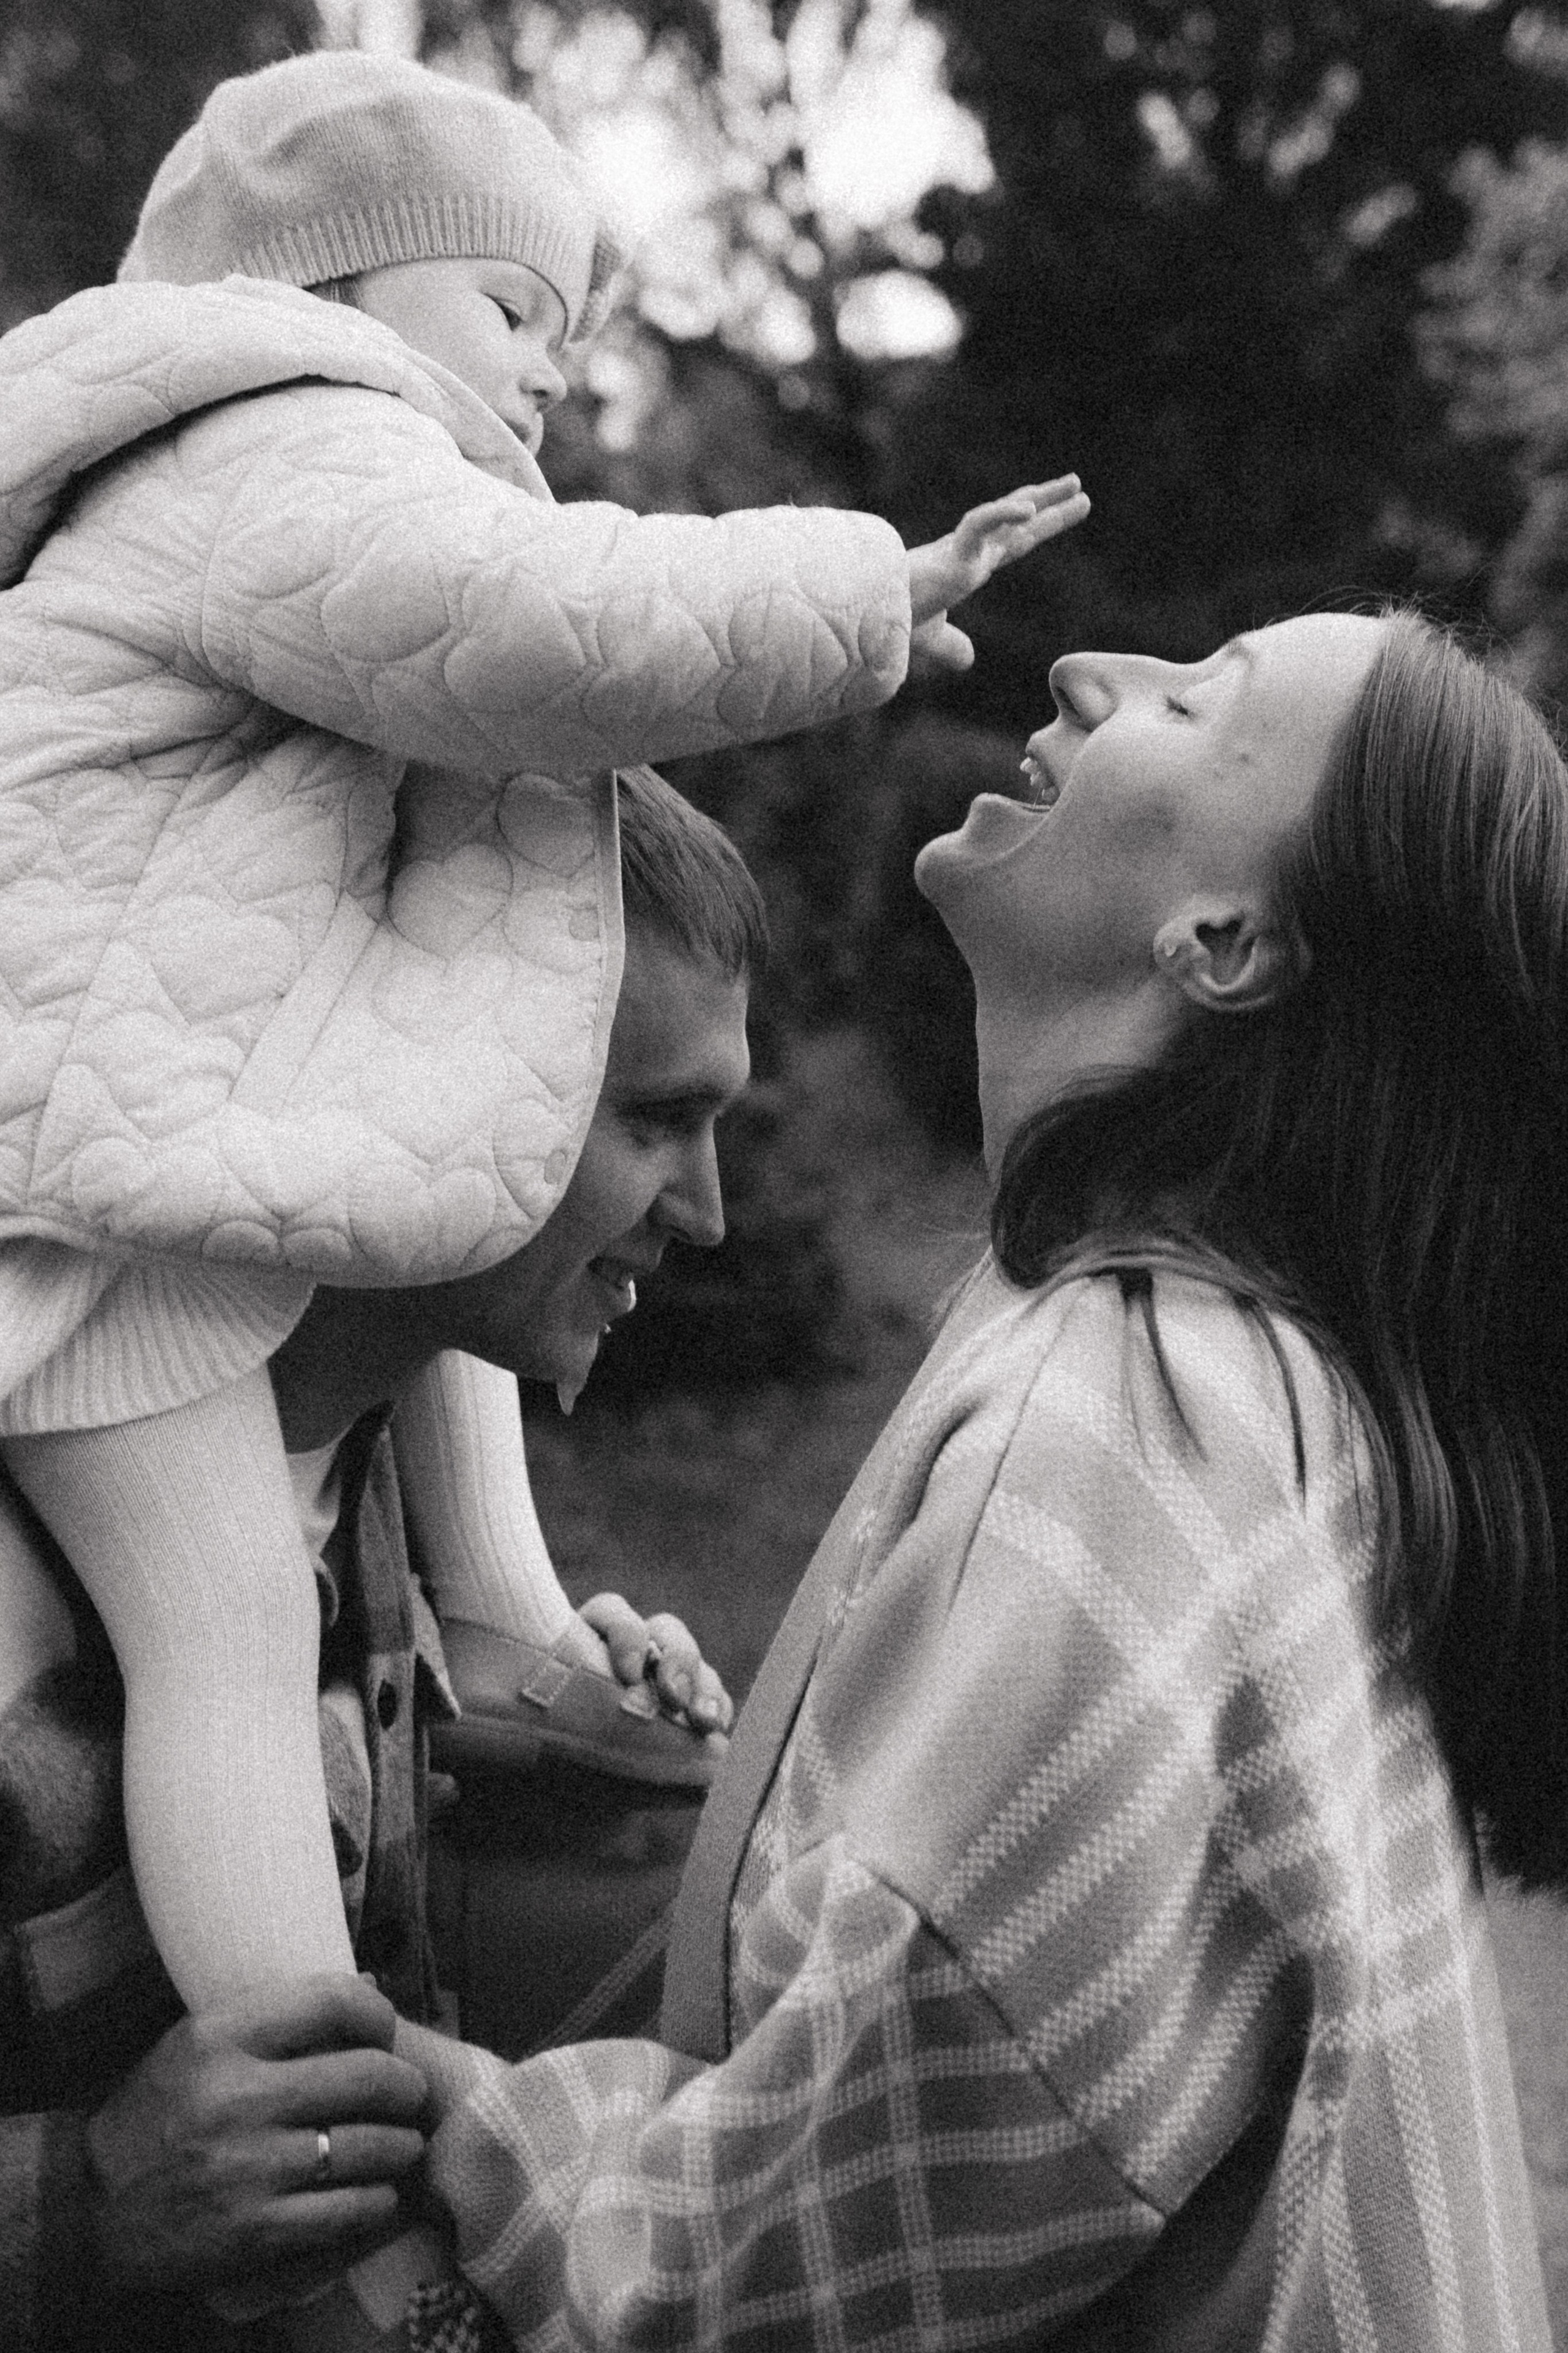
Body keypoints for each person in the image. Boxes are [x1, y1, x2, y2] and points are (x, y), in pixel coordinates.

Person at [0, 35, 1089, 2087]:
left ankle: (506, 1642)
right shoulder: (267, 445)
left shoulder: (262, 502)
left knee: (381, 1466)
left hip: (117, 1100)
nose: (546, 382)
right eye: (512, 312)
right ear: (310, 295)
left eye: (571, 345)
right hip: (61, 1153)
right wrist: (863, 586)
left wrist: (535, 1672)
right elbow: (529, 618)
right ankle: (314, 2154)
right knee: (222, 1619)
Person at [402, 608, 1564, 2349]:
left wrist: (444, 2124)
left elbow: (790, 2248)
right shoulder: (1241, 1373)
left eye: (1195, 700)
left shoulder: (1133, 1419)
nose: (1092, 668)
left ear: (1225, 940)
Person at [1, 765, 763, 2347]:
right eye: (656, 1120)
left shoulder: (379, 1464)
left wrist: (567, 1756)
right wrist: (77, 2198)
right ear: (440, 1089)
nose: (706, 1212)